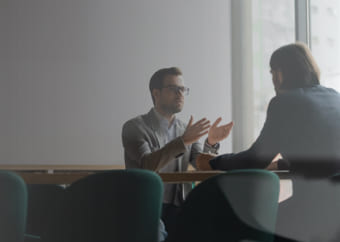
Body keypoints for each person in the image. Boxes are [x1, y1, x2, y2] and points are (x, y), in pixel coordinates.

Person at [197, 42, 340, 173]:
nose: (273, 80)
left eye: (272, 72)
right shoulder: (334, 97)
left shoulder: (285, 103)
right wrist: (280, 164)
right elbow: (320, 156)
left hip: (312, 198)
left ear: (279, 74)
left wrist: (213, 162)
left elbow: (255, 159)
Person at [122, 67, 233, 234]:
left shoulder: (184, 129)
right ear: (156, 93)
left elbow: (199, 165)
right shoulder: (134, 127)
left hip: (180, 206)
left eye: (182, 89)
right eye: (173, 88)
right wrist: (183, 141)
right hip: (145, 205)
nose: (180, 93)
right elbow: (146, 165)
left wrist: (210, 144)